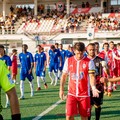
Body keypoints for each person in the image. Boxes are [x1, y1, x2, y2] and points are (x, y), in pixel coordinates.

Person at [59, 42, 100, 120]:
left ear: (84, 51)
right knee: (69, 117)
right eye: (77, 53)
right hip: (71, 94)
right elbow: (64, 76)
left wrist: (93, 87)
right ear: (74, 50)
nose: (79, 55)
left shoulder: (89, 62)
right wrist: (61, 90)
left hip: (84, 94)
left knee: (84, 117)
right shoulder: (68, 60)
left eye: (81, 53)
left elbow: (91, 76)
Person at [87, 43, 109, 120]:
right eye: (90, 50)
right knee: (88, 106)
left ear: (96, 49)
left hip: (98, 85)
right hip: (87, 86)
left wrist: (106, 67)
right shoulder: (85, 60)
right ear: (87, 49)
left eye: (93, 49)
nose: (92, 51)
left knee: (97, 105)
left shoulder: (100, 60)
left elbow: (107, 73)